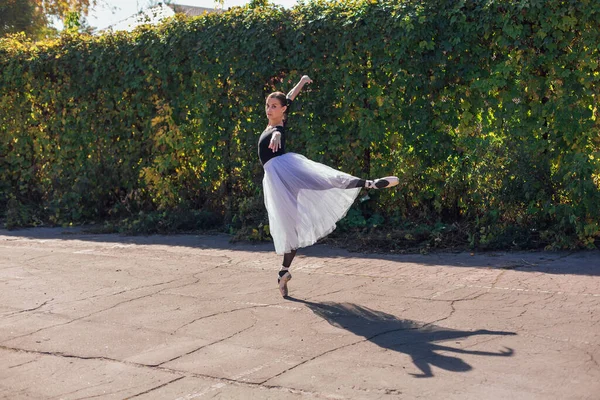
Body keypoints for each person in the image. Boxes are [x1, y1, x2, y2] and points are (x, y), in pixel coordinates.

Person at [258, 75, 398, 297]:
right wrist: (302, 82)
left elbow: (279, 132)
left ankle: (368, 183)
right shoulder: (273, 121)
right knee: (290, 230)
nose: (269, 109)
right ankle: (283, 272)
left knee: (325, 180)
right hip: (277, 180)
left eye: (274, 106)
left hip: (284, 170)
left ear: (282, 110)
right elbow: (291, 97)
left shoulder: (279, 127)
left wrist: (276, 135)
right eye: (267, 105)